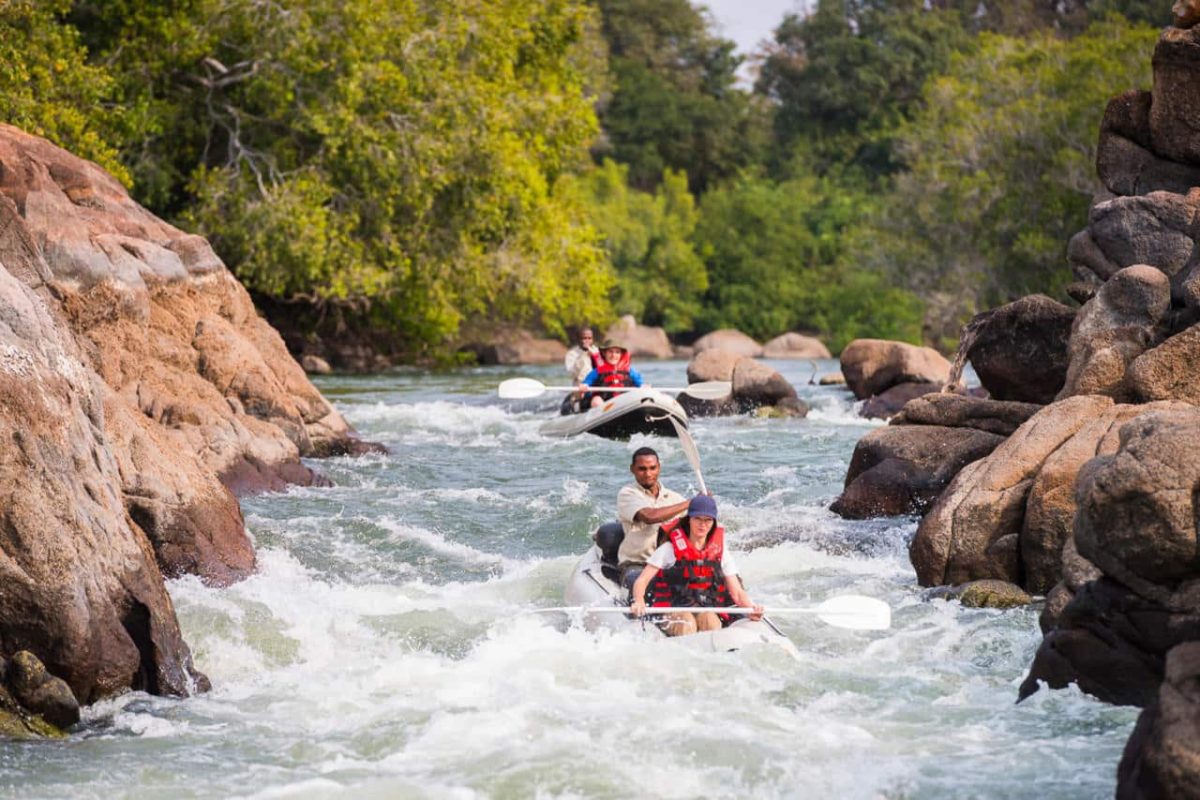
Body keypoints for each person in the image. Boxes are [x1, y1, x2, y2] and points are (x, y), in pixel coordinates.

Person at [629, 495, 763, 637]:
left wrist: (750, 608)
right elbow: (642, 580)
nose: (702, 524)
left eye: (707, 520)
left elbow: (737, 592)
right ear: (689, 519)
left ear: (713, 522)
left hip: (706, 608)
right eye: (697, 518)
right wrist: (639, 600)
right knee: (686, 621)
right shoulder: (669, 549)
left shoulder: (721, 551)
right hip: (674, 609)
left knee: (709, 620)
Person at [616, 447, 690, 590]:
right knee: (646, 587)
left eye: (652, 468)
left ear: (659, 468)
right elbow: (649, 516)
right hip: (637, 564)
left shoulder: (675, 498)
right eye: (642, 469)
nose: (648, 474)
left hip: (669, 564)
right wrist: (690, 503)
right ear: (632, 469)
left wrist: (703, 505)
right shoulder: (627, 494)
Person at [576, 340, 646, 409]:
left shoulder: (630, 371)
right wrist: (583, 387)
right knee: (596, 400)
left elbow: (640, 384)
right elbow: (586, 383)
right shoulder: (596, 371)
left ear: (621, 354)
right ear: (604, 353)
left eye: (617, 352)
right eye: (610, 352)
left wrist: (644, 386)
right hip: (604, 403)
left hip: (625, 402)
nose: (613, 355)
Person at [562, 327, 601, 414]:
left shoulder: (598, 351)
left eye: (589, 338)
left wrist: (595, 356)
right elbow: (572, 374)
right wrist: (584, 356)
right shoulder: (571, 354)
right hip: (581, 389)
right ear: (578, 339)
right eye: (584, 338)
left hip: (597, 388)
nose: (587, 341)